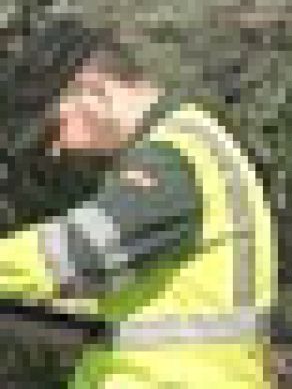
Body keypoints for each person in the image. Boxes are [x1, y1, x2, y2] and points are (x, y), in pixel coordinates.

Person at [0, 19, 275, 388]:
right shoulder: (191, 145)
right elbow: (140, 312)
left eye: (56, 126)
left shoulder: (172, 161)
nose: (57, 148)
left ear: (94, 90)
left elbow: (72, 252)